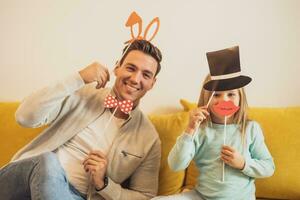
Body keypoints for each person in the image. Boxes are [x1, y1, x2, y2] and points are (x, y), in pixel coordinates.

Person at [0, 39, 162, 200]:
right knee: (47, 161)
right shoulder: (83, 93)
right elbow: (24, 117)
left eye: (146, 75)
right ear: (117, 67)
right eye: (130, 68)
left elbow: (145, 196)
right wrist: (78, 78)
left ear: (152, 83)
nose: (135, 79)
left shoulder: (149, 138)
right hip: (22, 180)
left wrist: (104, 184)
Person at [153, 46, 274, 200]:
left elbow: (268, 167)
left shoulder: (250, 129)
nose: (224, 100)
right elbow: (176, 164)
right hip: (202, 196)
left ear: (240, 98)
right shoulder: (201, 130)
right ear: (207, 99)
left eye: (231, 94)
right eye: (216, 95)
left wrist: (243, 163)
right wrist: (189, 130)